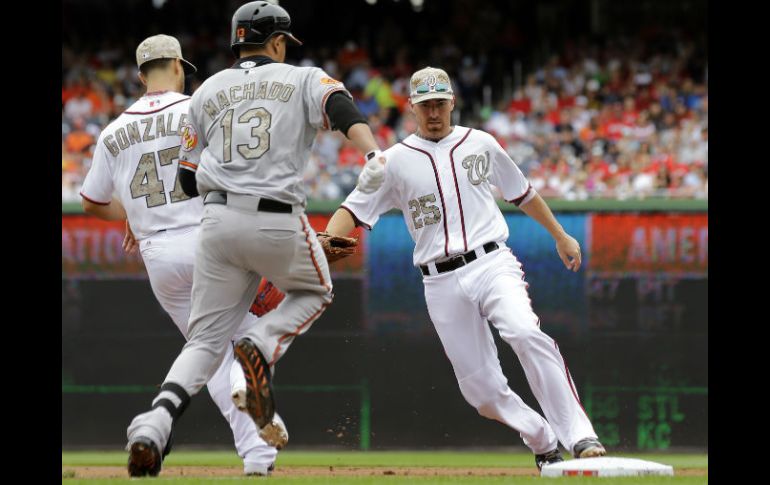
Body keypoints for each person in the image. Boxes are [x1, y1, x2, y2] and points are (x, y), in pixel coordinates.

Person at [124, 2, 386, 477]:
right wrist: (370, 151)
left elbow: (184, 182)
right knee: (317, 289)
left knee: (204, 341)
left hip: (217, 227)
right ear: (278, 42)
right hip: (276, 217)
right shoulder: (301, 77)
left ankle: (154, 424)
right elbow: (340, 106)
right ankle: (259, 350)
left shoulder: (205, 92)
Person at [323, 67, 607, 470]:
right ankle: (542, 439)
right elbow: (352, 208)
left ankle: (580, 436)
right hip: (439, 281)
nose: (434, 112)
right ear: (412, 108)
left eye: (440, 102)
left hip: (491, 260)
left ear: (453, 101)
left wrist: (560, 235)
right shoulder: (394, 162)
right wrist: (325, 238)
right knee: (481, 392)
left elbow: (522, 192)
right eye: (426, 105)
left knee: (525, 331)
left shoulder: (481, 143)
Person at [79, 34, 287, 477]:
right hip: (209, 238)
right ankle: (246, 394)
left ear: (140, 75)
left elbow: (92, 201)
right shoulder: (199, 107)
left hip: (159, 257)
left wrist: (131, 220)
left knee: (206, 355)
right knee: (253, 342)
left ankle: (255, 456)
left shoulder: (114, 130)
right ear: (178, 66)